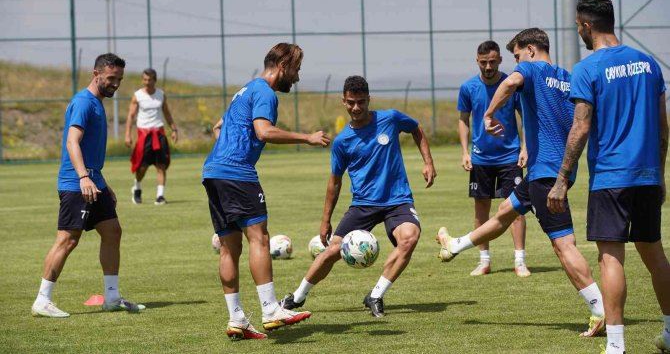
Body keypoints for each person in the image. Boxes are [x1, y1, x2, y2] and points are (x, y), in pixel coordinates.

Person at [436, 28, 605, 337]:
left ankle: (599, 309)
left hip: (546, 176)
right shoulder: (567, 77)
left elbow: (511, 81)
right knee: (504, 212)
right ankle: (456, 245)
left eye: (515, 56)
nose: (514, 63)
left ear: (529, 50)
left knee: (563, 245)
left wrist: (488, 114)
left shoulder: (527, 69)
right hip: (550, 171)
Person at [547, 0, 670, 354]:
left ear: (586, 25)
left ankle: (616, 345)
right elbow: (663, 129)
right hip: (647, 176)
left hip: (612, 177)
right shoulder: (648, 64)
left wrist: (562, 179)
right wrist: (659, 176)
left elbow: (580, 127)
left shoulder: (588, 68)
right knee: (655, 254)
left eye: (578, 26)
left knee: (611, 256)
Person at [203, 43, 331, 340]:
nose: (297, 78)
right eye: (296, 70)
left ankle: (236, 319)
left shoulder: (244, 91)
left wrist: (228, 152)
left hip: (213, 172)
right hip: (237, 174)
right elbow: (263, 131)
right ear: (283, 65)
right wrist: (307, 137)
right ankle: (270, 309)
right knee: (259, 237)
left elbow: (217, 127)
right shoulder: (265, 92)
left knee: (228, 247)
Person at [280, 75, 437, 318]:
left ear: (368, 100)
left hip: (397, 201)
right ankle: (297, 297)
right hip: (363, 204)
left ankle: (375, 295)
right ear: (343, 101)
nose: (356, 108)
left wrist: (428, 162)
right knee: (332, 251)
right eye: (351, 102)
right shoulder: (342, 141)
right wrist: (325, 220)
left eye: (361, 102)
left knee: (410, 238)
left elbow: (416, 129)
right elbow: (335, 182)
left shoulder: (390, 119)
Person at [31, 53, 144, 318]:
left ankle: (112, 297)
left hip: (94, 181)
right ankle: (42, 299)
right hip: (76, 183)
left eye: (119, 79)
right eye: (111, 78)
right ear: (96, 74)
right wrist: (83, 177)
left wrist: (102, 183)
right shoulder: (83, 102)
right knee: (68, 240)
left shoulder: (97, 103)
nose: (116, 84)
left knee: (112, 231)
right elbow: (73, 141)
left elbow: (90, 152)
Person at [457, 40, 529, 277]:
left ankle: (519, 261)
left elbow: (526, 118)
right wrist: (465, 152)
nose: (488, 67)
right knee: (481, 211)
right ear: (477, 61)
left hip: (510, 156)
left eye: (492, 62)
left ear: (500, 60)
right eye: (483, 62)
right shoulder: (468, 88)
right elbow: (463, 120)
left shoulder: (511, 85)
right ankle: (484, 261)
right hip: (481, 159)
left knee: (515, 209)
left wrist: (525, 148)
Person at [125, 68, 178, 205]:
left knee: (161, 165)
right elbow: (131, 116)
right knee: (142, 167)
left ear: (155, 80)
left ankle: (160, 196)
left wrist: (174, 129)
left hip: (159, 134)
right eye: (145, 80)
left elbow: (167, 114)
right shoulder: (137, 96)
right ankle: (137, 187)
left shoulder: (161, 95)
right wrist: (127, 134)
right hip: (144, 135)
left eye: (150, 80)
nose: (147, 82)